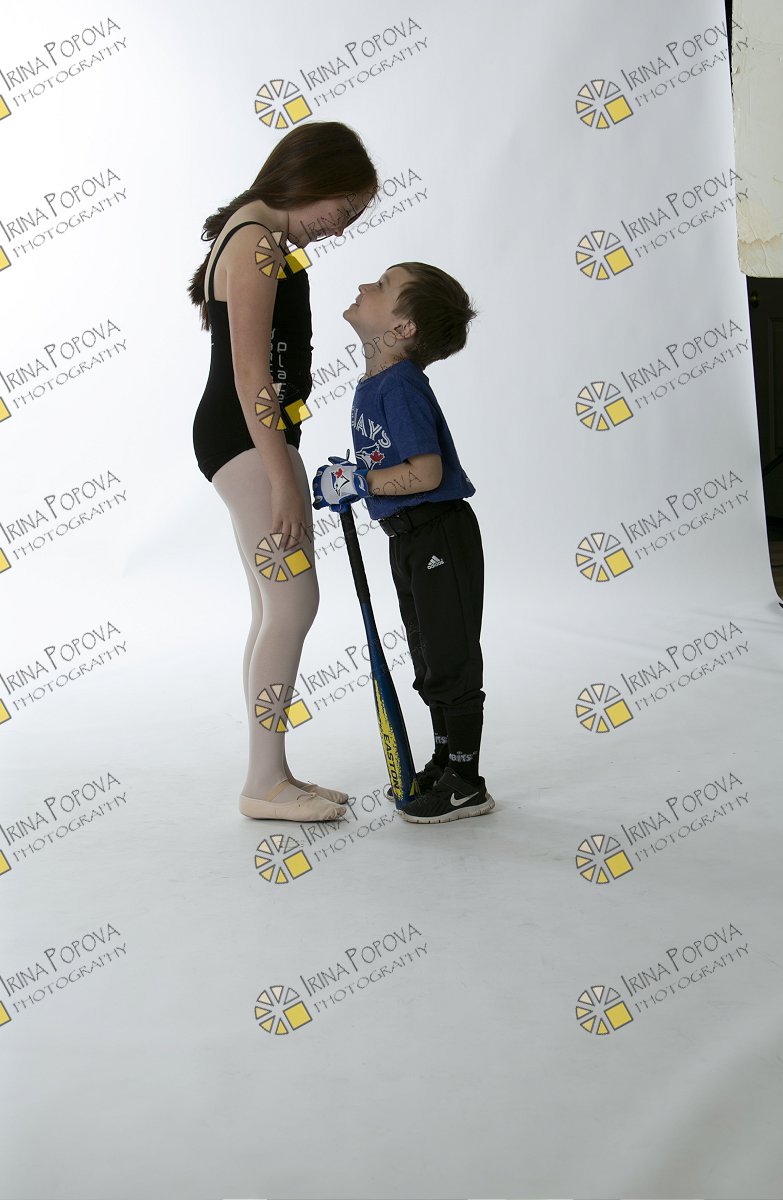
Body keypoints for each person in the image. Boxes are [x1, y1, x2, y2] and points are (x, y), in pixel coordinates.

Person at [188, 121, 378, 822]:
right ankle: (263, 784)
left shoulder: (255, 236)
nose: (340, 227)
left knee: (275, 607)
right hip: (246, 438)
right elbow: (251, 377)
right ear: (312, 179)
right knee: (293, 605)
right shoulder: (255, 243)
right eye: (343, 208)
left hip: (248, 437)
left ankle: (272, 774)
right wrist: (282, 479)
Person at [312, 263, 494, 823]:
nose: (365, 285)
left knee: (450, 657)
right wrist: (349, 479)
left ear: (403, 328)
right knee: (428, 656)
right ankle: (444, 760)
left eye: (383, 285)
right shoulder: (375, 385)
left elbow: (426, 472)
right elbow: (384, 466)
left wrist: (359, 482)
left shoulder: (400, 385)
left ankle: (466, 781)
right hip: (408, 538)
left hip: (439, 532)